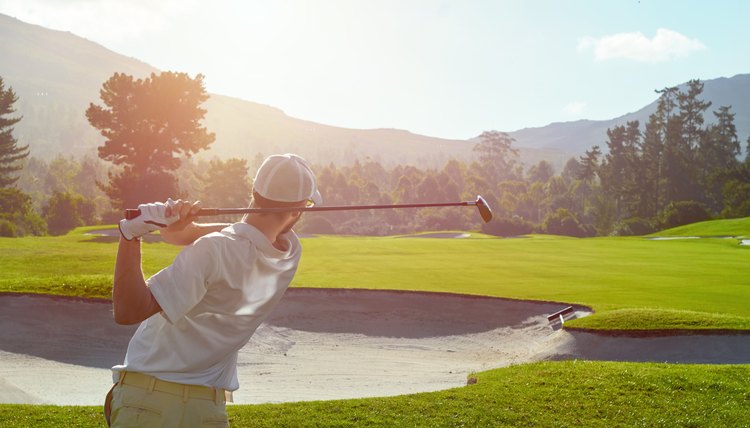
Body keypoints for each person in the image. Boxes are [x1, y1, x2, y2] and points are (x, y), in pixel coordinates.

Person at [104, 153, 322, 427]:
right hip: (207, 411)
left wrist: (129, 234)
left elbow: (128, 310)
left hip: (148, 401)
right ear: (299, 210)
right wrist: (180, 225)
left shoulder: (214, 249)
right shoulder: (289, 253)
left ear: (253, 191)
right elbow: (205, 236)